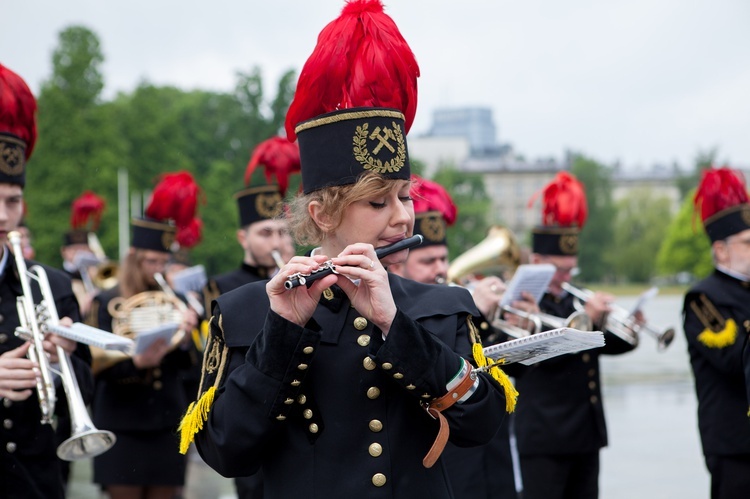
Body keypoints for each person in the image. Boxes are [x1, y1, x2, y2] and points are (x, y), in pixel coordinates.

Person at [179, 2, 513, 497]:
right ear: (323, 215)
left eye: (405, 197)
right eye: (378, 202)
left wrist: (396, 326)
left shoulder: (443, 306)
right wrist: (282, 331)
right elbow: (226, 451)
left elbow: (483, 423)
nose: (402, 217)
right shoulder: (246, 311)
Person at [389, 174, 519, 498]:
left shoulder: (456, 304)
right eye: (427, 260)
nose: (440, 269)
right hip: (447, 466)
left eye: (444, 259)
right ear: (400, 265)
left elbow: (501, 375)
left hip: (493, 459)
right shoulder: (394, 311)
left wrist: (502, 321)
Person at [512, 171, 638, 499]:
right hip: (544, 438)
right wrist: (589, 321)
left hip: (585, 434)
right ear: (537, 261)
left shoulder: (575, 299)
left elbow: (607, 346)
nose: (567, 277)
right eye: (559, 270)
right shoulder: (520, 304)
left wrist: (630, 324)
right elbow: (531, 361)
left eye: (571, 269)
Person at [0, 63, 93, 499]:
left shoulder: (50, 284)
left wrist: (62, 362)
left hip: (37, 483)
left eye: (13, 201)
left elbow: (88, 386)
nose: (4, 216)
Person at [86, 171, 201, 499]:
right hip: (121, 423)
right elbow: (96, 368)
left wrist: (187, 334)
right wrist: (136, 362)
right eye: (151, 261)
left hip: (166, 422)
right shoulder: (108, 302)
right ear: (135, 258)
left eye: (163, 262)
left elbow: (191, 368)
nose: (157, 269)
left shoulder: (176, 301)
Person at [198, 136, 300, 499]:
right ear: (243, 237)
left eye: (283, 233)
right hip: (250, 419)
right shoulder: (224, 288)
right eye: (265, 233)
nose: (276, 242)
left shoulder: (308, 282)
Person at [683, 167, 750, 499]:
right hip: (735, 442)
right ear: (722, 251)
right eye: (747, 243)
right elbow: (733, 357)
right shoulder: (703, 298)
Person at [61, 190, 108, 317]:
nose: (81, 254)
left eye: (84, 249)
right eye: (75, 250)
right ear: (64, 252)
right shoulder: (60, 276)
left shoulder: (94, 272)